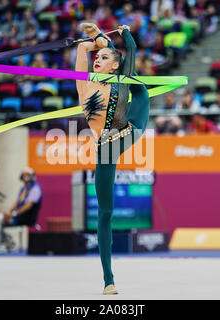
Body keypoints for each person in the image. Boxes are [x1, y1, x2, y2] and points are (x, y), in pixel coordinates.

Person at [76, 23, 150, 295]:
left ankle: (109, 278)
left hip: (133, 123)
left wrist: (122, 33)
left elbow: (130, 48)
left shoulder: (123, 77)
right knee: (105, 213)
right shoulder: (84, 84)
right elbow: (83, 48)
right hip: (105, 146)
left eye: (104, 58)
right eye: (98, 57)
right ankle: (108, 279)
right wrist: (95, 38)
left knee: (134, 85)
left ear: (115, 66)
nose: (98, 59)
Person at [0, 167, 43, 254]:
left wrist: (13, 214)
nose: (22, 177)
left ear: (29, 176)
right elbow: (16, 203)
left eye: (25, 175)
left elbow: (28, 206)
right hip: (17, 215)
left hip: (26, 217)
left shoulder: (35, 189)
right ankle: (9, 243)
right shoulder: (23, 189)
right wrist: (9, 213)